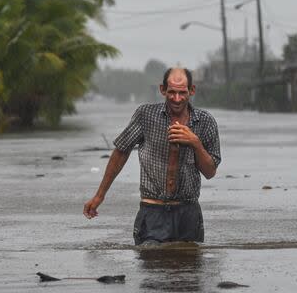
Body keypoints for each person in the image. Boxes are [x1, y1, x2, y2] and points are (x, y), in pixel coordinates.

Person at [83, 67, 221, 245]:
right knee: (151, 267)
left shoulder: (205, 122)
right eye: (171, 92)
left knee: (189, 269)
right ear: (162, 90)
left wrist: (195, 142)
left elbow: (210, 172)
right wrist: (99, 196)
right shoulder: (146, 115)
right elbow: (121, 152)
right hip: (152, 211)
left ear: (191, 91)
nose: (177, 98)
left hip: (188, 212)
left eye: (182, 93)